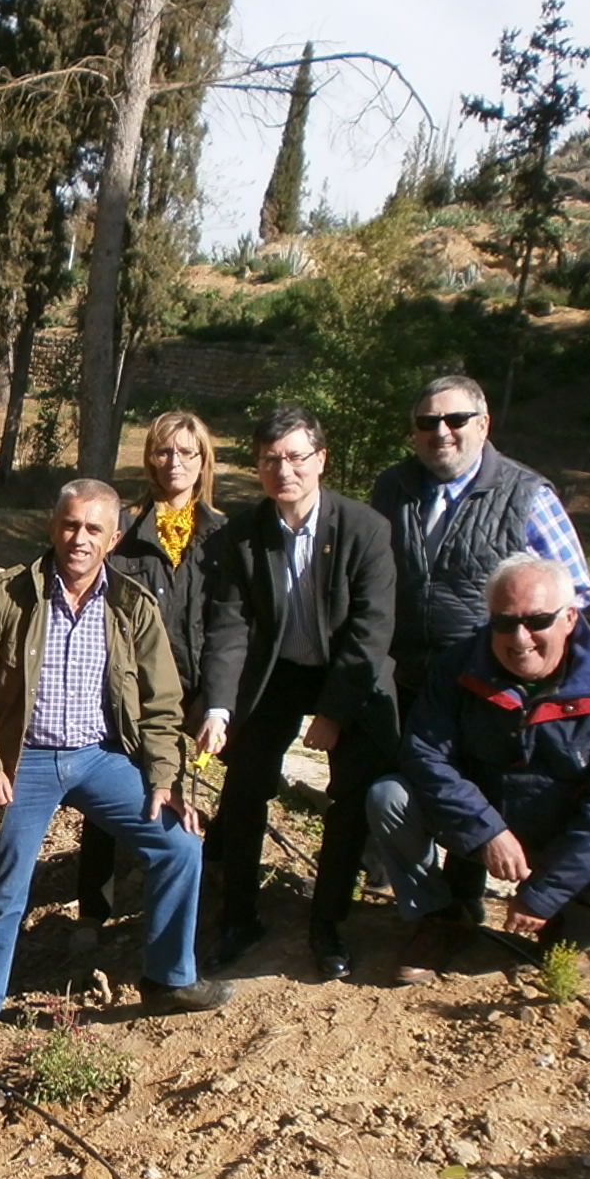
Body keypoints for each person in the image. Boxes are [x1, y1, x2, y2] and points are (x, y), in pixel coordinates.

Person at [0, 479, 228, 1028]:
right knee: (7, 884)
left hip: (101, 756)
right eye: (70, 525)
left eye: (93, 529)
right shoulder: (8, 595)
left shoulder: (131, 605)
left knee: (179, 846)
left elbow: (161, 702)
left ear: (113, 539)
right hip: (25, 758)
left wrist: (163, 778)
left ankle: (168, 979)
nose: (79, 539)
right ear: (53, 526)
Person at [367, 553, 590, 984]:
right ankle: (441, 917)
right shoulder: (457, 667)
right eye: (505, 622)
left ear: (570, 617)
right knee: (388, 797)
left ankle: (562, 935)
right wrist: (486, 831)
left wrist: (545, 894)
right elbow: (425, 756)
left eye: (537, 621)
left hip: (561, 824)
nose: (520, 637)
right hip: (477, 816)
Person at [368, 374, 590, 924]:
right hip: (403, 676)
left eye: (455, 420)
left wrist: (529, 665)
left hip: (488, 684)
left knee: (474, 786)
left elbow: (575, 594)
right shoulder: (393, 487)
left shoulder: (526, 495)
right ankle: (430, 911)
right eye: (427, 423)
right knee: (400, 791)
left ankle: (466, 903)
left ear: (484, 424)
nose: (440, 432)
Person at [197, 404, 398, 981]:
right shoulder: (243, 534)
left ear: (320, 460)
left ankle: (328, 922)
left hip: (349, 674)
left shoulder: (364, 529)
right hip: (278, 671)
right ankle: (239, 917)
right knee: (244, 783)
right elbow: (229, 625)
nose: (283, 470)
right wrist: (219, 707)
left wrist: (334, 712)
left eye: (295, 457)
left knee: (352, 794)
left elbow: (371, 632)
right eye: (269, 460)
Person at [74, 411, 229, 946]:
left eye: (187, 452)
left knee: (232, 778)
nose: (175, 462)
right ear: (150, 459)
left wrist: (218, 700)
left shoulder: (223, 536)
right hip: (135, 684)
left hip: (203, 682)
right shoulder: (125, 532)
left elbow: (230, 621)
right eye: (164, 451)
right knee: (107, 782)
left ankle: (215, 882)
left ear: (204, 460)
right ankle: (93, 908)